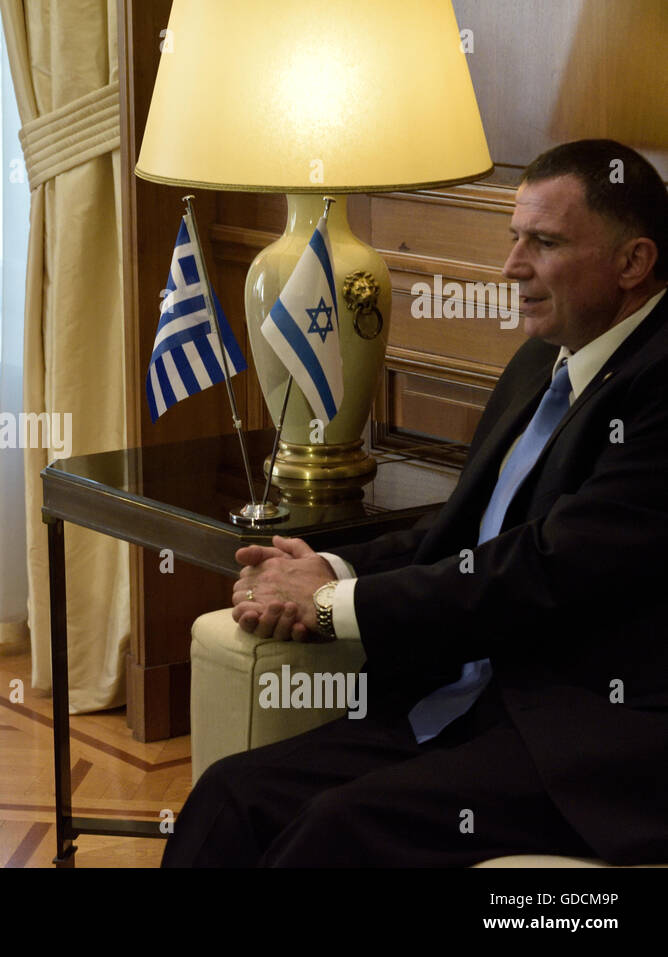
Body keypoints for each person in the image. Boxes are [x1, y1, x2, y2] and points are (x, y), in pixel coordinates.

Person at [162, 139, 668, 867]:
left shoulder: (660, 385)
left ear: (633, 262)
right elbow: (467, 525)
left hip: (582, 738)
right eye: (513, 237)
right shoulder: (543, 358)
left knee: (333, 832)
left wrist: (336, 604)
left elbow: (545, 567)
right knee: (230, 796)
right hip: (459, 698)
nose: (511, 265)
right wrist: (328, 566)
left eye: (544, 242)